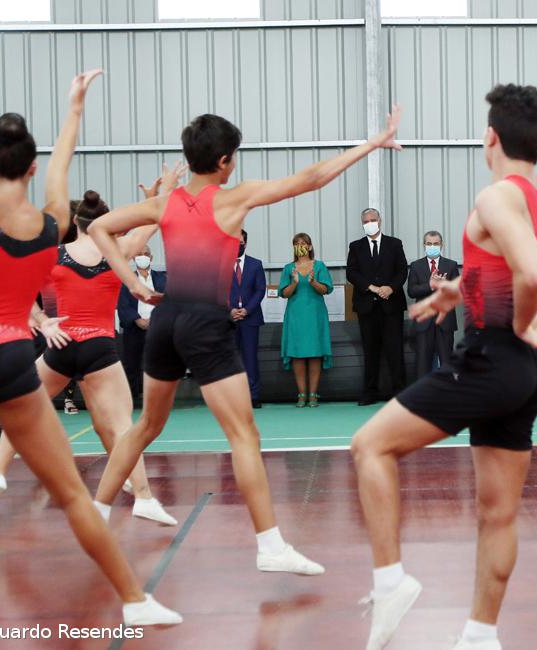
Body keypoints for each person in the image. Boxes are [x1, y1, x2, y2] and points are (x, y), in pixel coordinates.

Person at [88, 107, 404, 576]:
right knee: (243, 435)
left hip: (167, 319)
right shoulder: (236, 199)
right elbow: (312, 177)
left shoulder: (166, 204)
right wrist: (372, 144)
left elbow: (98, 228)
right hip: (205, 324)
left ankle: (95, 516)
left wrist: (132, 285)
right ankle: (270, 545)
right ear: (224, 161)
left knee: (146, 426)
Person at [0, 71, 181, 625]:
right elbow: (62, 165)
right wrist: (74, 109)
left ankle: (134, 597)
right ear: (29, 168)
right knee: (75, 495)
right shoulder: (49, 221)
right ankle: (134, 600)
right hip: (10, 357)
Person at [351, 84, 537, 650]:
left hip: (494, 357)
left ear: (490, 136)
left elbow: (533, 275)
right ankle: (479, 635)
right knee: (497, 515)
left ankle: (391, 580)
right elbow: (499, 264)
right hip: (527, 373)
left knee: (370, 447)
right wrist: (457, 289)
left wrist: (519, 323)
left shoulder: (496, 195)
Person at [0, 180, 182, 525]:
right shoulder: (121, 249)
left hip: (62, 343)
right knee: (122, 426)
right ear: (106, 223)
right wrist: (158, 196)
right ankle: (143, 496)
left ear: (76, 224)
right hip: (99, 347)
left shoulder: (56, 256)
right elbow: (153, 222)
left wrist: (43, 321)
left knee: (21, 406)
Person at [347, 208, 408, 405]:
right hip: (367, 306)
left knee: (395, 350)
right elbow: (352, 273)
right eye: (366, 221)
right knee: (370, 351)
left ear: (380, 221)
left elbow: (401, 271)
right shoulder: (356, 246)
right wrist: (371, 287)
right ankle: (369, 392)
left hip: (391, 306)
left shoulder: (394, 244)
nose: (370, 223)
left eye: (373, 219)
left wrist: (390, 287)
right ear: (362, 223)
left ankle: (399, 393)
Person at [280, 233, 333, 407]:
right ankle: (302, 394)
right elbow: (284, 293)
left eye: (303, 243)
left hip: (315, 315)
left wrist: (313, 282)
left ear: (310, 246)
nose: (300, 246)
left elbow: (325, 289)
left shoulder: (319, 266)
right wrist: (294, 282)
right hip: (296, 315)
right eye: (296, 243)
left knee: (315, 353)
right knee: (298, 354)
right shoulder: (289, 268)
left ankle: (313, 394)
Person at [117, 245, 166, 405]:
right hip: (134, 326)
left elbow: (168, 301)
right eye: (139, 254)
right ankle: (131, 397)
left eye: (146, 254)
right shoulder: (126, 279)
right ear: (133, 258)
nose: (143, 257)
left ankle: (155, 397)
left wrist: (155, 319)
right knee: (131, 363)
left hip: (157, 327)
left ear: (151, 258)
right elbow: (122, 304)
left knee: (157, 363)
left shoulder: (163, 279)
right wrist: (137, 319)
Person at [407, 230, 460, 378]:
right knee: (422, 363)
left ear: (441, 245)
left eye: (435, 244)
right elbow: (411, 291)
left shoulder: (451, 265)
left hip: (445, 321)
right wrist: (430, 285)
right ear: (424, 245)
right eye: (429, 244)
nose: (432, 246)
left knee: (446, 362)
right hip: (424, 321)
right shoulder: (416, 266)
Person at [229, 229, 267, 408]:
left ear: (245, 243)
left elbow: (260, 290)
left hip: (250, 319)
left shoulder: (256, 264)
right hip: (228, 320)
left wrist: (246, 310)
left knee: (250, 358)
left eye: (240, 243)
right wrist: (230, 310)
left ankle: (253, 395)